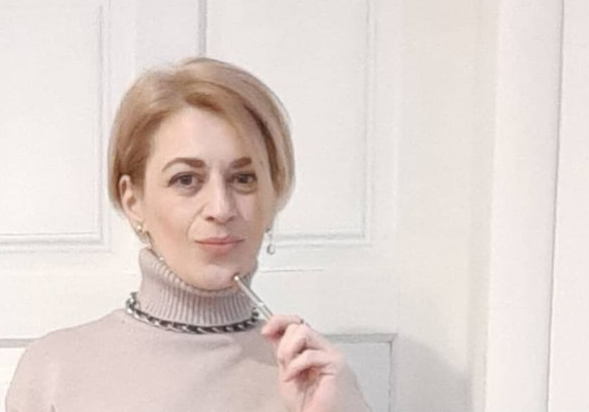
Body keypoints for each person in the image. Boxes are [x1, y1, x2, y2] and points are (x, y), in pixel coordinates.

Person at [5, 57, 371, 412]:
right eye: (186, 180)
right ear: (133, 201)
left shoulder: (315, 379)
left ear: (273, 194)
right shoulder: (55, 371)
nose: (221, 208)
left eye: (243, 178)